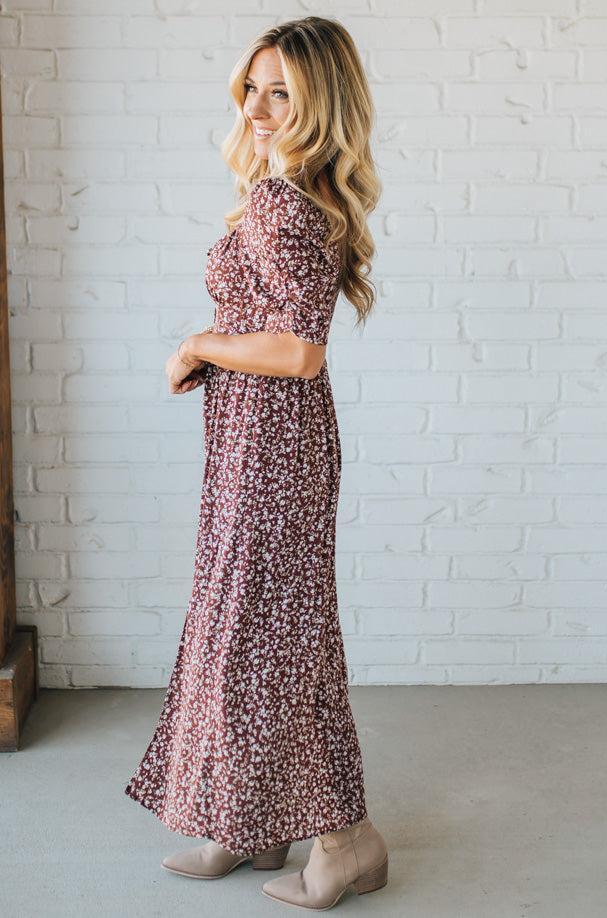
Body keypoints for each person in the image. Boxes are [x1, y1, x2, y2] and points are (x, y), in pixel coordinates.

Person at [123, 15, 387, 910]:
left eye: (285, 91)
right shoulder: (288, 191)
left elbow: (301, 352)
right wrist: (217, 352)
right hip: (263, 439)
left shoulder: (285, 202)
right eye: (254, 86)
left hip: (274, 443)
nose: (261, 106)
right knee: (257, 628)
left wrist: (198, 341)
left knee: (273, 634)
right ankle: (253, 819)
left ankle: (345, 841)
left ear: (322, 103)